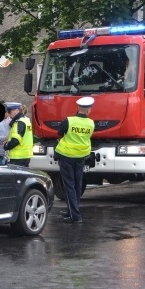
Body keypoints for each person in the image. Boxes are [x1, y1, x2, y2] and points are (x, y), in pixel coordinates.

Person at [54, 96, 95, 224]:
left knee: (68, 186)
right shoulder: (91, 123)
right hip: (81, 156)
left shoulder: (69, 120)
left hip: (66, 155)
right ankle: (72, 210)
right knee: (77, 184)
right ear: (89, 110)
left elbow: (59, 132)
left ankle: (75, 216)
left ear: (78, 108)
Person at [3, 102, 33, 167]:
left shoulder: (19, 122)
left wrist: (6, 145)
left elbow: (16, 140)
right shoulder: (25, 121)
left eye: (9, 111)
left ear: (16, 110)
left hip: (18, 157)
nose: (8, 114)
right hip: (25, 155)